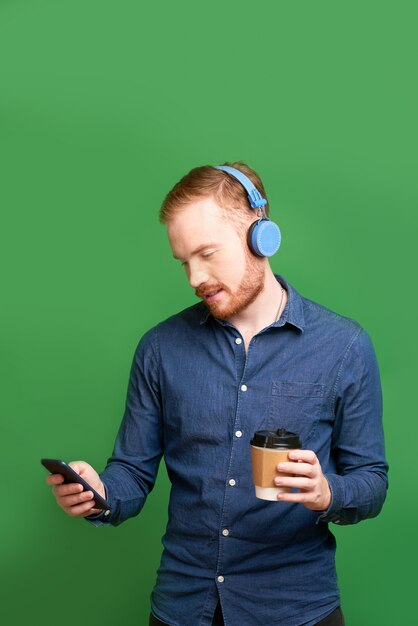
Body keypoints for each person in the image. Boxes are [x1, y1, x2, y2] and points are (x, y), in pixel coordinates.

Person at [46, 162, 388, 626]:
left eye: (207, 254)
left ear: (260, 234)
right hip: (182, 607)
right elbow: (131, 472)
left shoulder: (345, 346)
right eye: (184, 261)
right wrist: (100, 493)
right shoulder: (159, 348)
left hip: (296, 611)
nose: (194, 277)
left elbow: (371, 480)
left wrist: (327, 491)